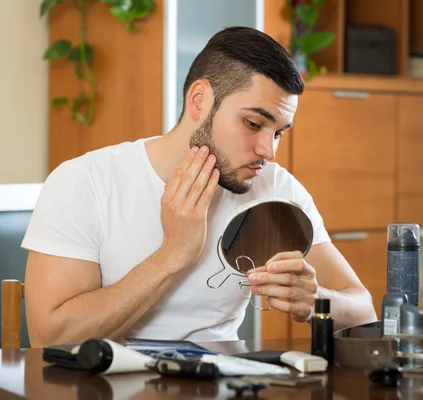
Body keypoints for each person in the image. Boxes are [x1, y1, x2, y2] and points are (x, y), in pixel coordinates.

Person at [22, 26, 377, 347]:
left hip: (223, 383)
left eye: (279, 133)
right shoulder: (85, 183)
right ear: (199, 100)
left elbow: (364, 312)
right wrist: (173, 255)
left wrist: (316, 301)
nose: (268, 151)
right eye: (253, 123)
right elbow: (50, 338)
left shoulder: (275, 189)